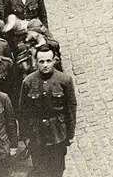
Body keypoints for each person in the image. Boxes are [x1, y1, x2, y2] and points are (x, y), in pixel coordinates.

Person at [18, 45, 76, 177]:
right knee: (40, 170)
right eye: (41, 61)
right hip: (36, 135)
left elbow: (70, 109)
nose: (45, 65)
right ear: (36, 62)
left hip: (58, 134)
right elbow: (23, 111)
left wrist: (70, 134)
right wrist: (24, 136)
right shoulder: (28, 82)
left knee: (57, 169)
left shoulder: (64, 81)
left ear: (54, 60)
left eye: (48, 61)